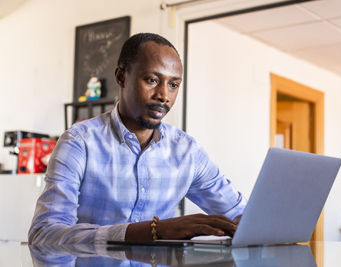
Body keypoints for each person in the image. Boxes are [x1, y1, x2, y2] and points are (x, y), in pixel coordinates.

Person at [28, 33, 246, 244]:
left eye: (173, 84)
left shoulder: (187, 152)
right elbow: (45, 235)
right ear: (121, 77)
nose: (163, 95)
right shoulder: (79, 143)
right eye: (152, 80)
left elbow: (241, 216)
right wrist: (154, 231)